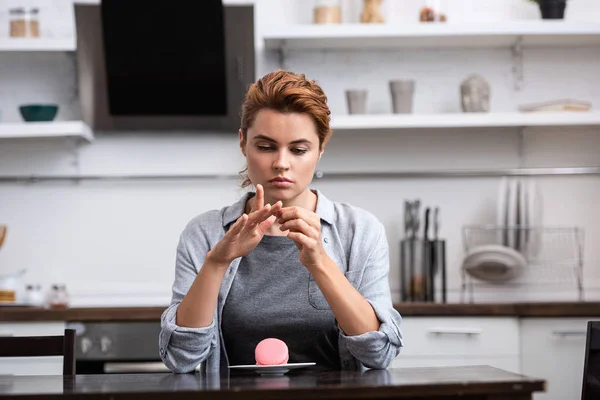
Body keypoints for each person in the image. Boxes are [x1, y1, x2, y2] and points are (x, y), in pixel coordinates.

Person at [159, 70, 403, 375]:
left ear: (321, 149)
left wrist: (319, 263)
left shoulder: (360, 232)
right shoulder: (204, 235)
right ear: (243, 143)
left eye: (299, 150)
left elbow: (378, 354)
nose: (281, 163)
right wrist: (217, 263)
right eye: (265, 147)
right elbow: (181, 359)